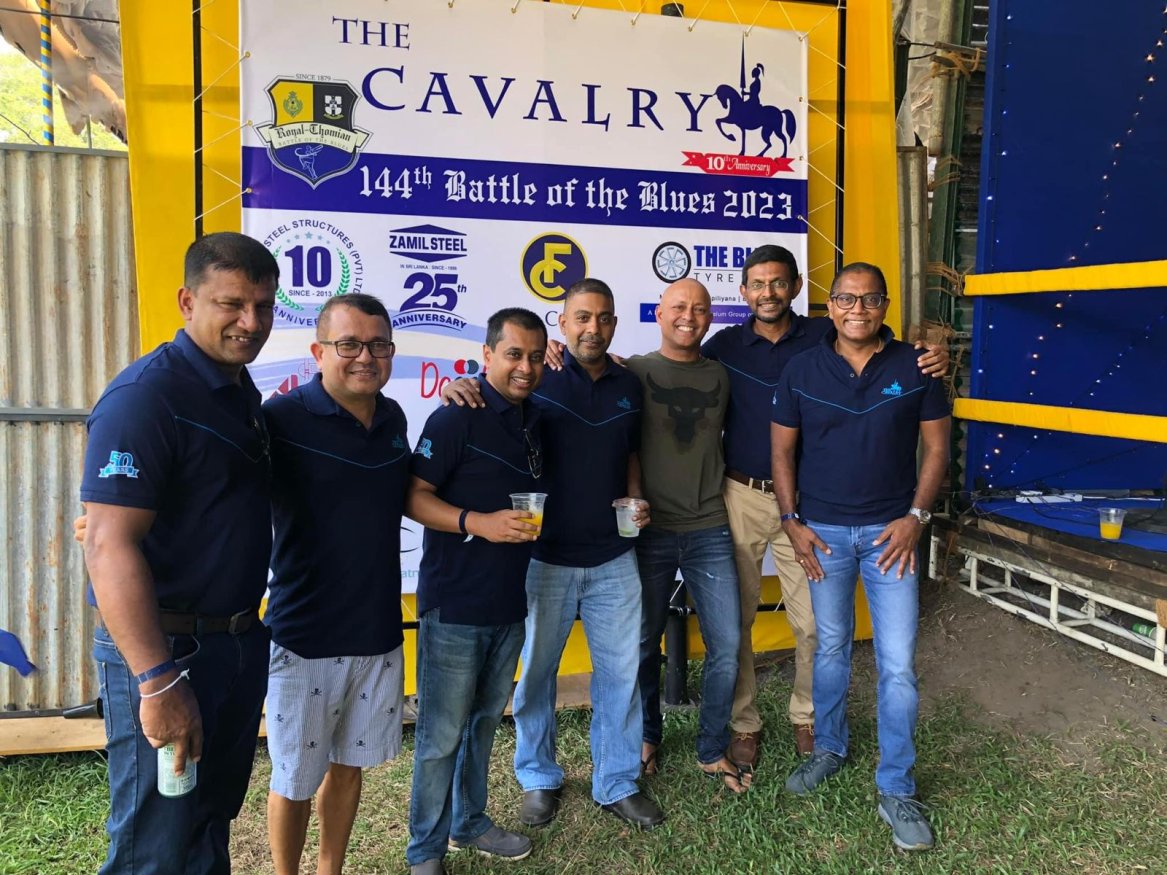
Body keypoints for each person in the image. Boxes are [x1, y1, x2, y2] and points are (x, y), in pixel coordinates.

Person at [702, 245, 949, 771]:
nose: (768, 293)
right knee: (735, 622)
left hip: (811, 509)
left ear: (798, 289)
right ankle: (745, 723)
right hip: (743, 495)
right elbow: (676, 364)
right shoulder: (723, 346)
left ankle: (810, 718)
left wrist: (934, 355)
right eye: (757, 284)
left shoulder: (825, 333)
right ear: (743, 292)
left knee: (816, 628)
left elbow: (891, 356)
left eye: (778, 282)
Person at [81, 232, 278, 874]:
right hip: (168, 652)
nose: (250, 322)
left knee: (209, 820)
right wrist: (158, 680)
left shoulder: (237, 390)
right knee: (154, 846)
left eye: (263, 306)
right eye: (231, 304)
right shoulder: (147, 397)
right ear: (187, 302)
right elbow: (108, 544)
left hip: (234, 643)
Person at [442, 279, 663, 830]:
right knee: (537, 674)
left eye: (604, 318)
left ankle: (616, 781)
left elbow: (630, 452)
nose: (593, 328)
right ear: (562, 324)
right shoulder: (539, 377)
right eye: (582, 317)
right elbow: (492, 393)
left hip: (614, 556)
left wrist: (635, 497)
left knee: (621, 674)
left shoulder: (628, 383)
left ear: (615, 324)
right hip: (544, 558)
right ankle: (538, 777)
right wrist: (460, 384)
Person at [773, 263, 951, 852]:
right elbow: (782, 453)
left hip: (890, 536)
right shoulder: (801, 369)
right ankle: (829, 747)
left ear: (884, 306)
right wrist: (791, 522)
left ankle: (896, 785)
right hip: (822, 533)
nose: (858, 309)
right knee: (830, 647)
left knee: (897, 664)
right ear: (829, 305)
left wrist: (916, 517)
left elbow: (936, 449)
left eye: (870, 299)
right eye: (847, 299)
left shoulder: (916, 366)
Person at [263, 294, 410, 875]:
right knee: (295, 778)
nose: (364, 357)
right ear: (318, 350)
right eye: (348, 344)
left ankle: (331, 869)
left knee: (349, 767)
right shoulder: (280, 420)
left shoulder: (393, 418)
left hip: (377, 629)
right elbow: (215, 483)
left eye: (378, 345)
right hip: (305, 635)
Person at [405, 308, 547, 875]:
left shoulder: (535, 417)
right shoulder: (453, 417)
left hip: (509, 600)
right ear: (486, 356)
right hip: (455, 602)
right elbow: (412, 496)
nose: (525, 367)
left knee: (485, 720)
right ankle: (425, 850)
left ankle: (469, 821)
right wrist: (476, 522)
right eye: (513, 354)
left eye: (535, 356)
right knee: (441, 735)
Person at [628, 279, 747, 793]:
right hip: (650, 530)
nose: (689, 316)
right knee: (641, 644)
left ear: (710, 317)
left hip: (709, 526)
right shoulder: (633, 371)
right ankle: (645, 737)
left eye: (700, 309)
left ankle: (711, 748)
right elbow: (575, 371)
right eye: (679, 306)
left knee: (728, 643)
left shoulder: (722, 374)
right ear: (659, 313)